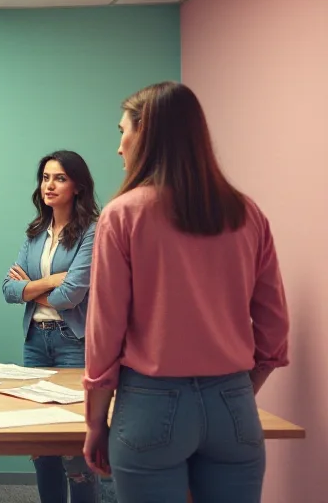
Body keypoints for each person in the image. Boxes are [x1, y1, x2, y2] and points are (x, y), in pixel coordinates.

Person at [82, 81, 290, 503]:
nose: (120, 147)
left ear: (145, 134)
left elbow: (106, 331)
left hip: (150, 404)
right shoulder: (246, 212)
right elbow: (274, 326)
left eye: (123, 132)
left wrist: (94, 421)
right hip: (233, 400)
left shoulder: (123, 215)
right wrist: (237, 390)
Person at [2, 150, 101, 503]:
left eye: (59, 178)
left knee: (74, 447)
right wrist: (50, 282)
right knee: (41, 444)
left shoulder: (92, 230)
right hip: (35, 342)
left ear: (77, 186)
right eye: (45, 177)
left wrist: (32, 288)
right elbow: (8, 289)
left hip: (71, 342)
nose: (49, 185)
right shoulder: (36, 231)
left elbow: (72, 295)